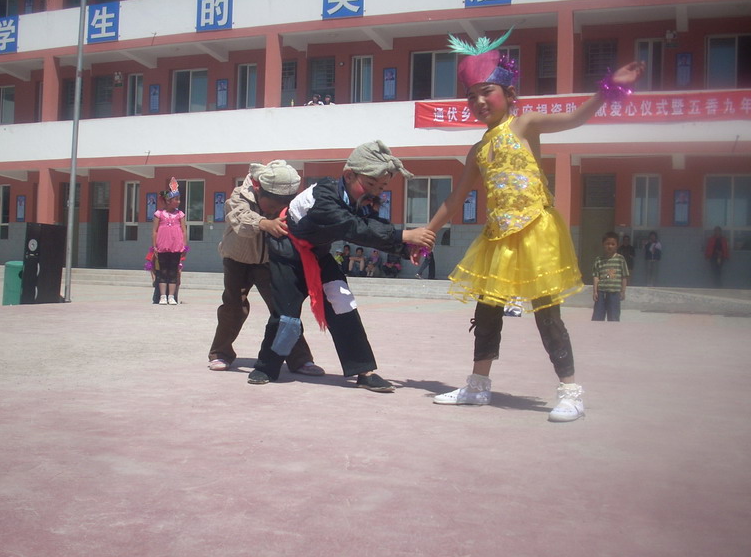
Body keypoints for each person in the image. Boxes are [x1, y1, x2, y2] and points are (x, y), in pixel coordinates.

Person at [421, 29, 644, 422]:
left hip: (536, 232)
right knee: (486, 312)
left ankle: (571, 392)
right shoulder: (477, 150)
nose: (478, 101)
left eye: (486, 92)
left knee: (546, 313)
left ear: (509, 94)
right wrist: (428, 231)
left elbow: (574, 118)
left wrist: (607, 89)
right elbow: (455, 199)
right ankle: (478, 386)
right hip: (498, 240)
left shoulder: (525, 125)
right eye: (471, 96)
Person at [247, 140, 435, 391]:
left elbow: (372, 226)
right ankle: (266, 367)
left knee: (343, 303)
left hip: (319, 254)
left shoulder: (361, 200)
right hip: (288, 253)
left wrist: (405, 249)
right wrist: (404, 235)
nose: (375, 191)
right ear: (349, 175)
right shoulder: (324, 196)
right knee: (286, 317)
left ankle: (364, 371)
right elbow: (352, 227)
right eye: (370, 184)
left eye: (381, 187)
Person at [207, 161, 325, 378]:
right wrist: (264, 223)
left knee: (284, 310)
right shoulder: (240, 194)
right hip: (237, 259)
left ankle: (300, 359)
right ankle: (220, 353)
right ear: (259, 189)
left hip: (271, 261)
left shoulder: (290, 200)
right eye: (271, 206)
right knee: (233, 307)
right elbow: (238, 217)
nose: (274, 211)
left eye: (280, 207)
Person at [152, 177, 188, 305]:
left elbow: (184, 230)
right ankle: (163, 296)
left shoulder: (180, 214)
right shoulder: (159, 214)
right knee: (163, 271)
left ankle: (171, 296)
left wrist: (184, 246)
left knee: (173, 271)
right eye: (176, 199)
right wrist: (154, 246)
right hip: (162, 247)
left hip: (176, 248)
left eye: (179, 199)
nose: (178, 202)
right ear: (168, 201)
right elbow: (155, 231)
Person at [591, 231, 629, 322]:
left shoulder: (620, 259)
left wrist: (623, 291)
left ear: (617, 245)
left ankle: (613, 331)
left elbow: (624, 276)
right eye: (607, 244)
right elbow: (596, 277)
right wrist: (595, 291)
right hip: (601, 293)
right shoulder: (599, 260)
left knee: (613, 318)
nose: (610, 246)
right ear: (603, 244)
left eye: (613, 244)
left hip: (614, 293)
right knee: (597, 318)